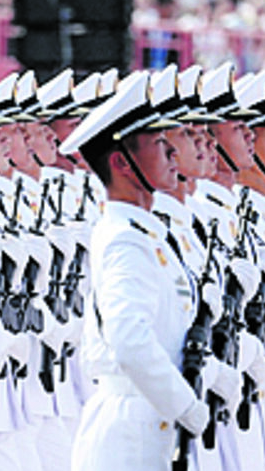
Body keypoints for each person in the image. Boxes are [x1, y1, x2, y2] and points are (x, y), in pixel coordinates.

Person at [62, 69, 208, 471]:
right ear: (122, 163)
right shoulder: (125, 238)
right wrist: (186, 405)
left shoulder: (147, 233)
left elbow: (168, 335)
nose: (173, 154)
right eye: (160, 144)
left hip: (149, 423)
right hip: (130, 433)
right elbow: (130, 341)